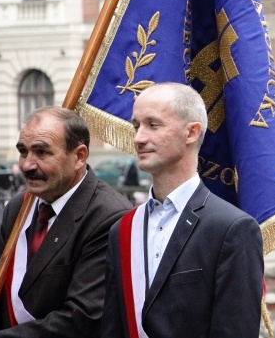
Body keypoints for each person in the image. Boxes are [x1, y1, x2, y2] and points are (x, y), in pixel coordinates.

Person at [0, 106, 134, 338]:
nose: (27, 165)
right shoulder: (19, 208)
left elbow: (82, 318)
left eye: (41, 153)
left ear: (79, 156)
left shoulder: (108, 216)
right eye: (23, 152)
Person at [101, 83, 264, 338]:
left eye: (153, 125)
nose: (138, 138)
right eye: (136, 126)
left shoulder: (231, 229)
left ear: (191, 133)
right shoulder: (123, 230)